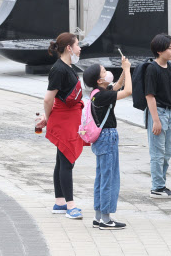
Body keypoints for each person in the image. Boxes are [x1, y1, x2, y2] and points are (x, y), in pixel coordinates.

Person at [37, 33, 85, 219]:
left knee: (61, 160)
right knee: (67, 162)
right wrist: (48, 119)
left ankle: (59, 202)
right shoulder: (59, 69)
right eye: (77, 45)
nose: (79, 48)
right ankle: (70, 206)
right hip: (63, 120)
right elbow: (48, 99)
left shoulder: (67, 67)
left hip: (69, 119)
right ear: (69, 48)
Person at [82, 56, 132, 230]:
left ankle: (98, 216)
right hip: (107, 137)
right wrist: (127, 69)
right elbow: (127, 92)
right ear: (99, 80)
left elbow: (117, 87)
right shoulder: (103, 96)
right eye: (104, 71)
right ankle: (106, 218)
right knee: (109, 179)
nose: (107, 72)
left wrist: (123, 72)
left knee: (102, 177)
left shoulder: (96, 94)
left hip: (100, 139)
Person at [145, 33, 171, 199]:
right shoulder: (152, 69)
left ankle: (162, 185)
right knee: (157, 152)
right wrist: (155, 120)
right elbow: (150, 96)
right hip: (158, 112)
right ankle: (157, 187)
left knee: (167, 152)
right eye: (169, 48)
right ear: (159, 51)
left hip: (168, 111)